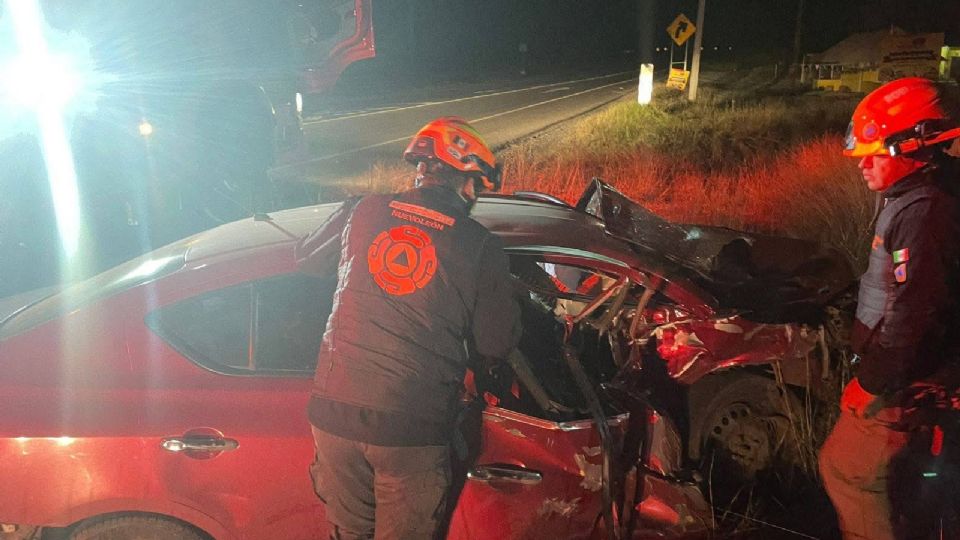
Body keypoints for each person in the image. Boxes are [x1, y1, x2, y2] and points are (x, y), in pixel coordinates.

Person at [296, 116, 522, 540]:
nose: (475, 195)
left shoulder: (362, 208)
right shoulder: (479, 245)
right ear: (464, 180)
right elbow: (495, 343)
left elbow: (308, 260)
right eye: (475, 183)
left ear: (421, 168)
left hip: (334, 415)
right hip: (408, 429)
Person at [819, 77, 960, 540]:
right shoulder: (923, 196)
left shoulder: (924, 214)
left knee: (845, 470)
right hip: (928, 379)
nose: (862, 162)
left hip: (910, 382)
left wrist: (870, 384)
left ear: (914, 146)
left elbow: (915, 313)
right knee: (916, 489)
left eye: (875, 150)